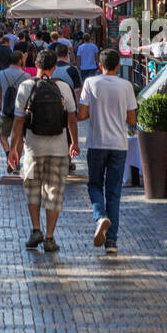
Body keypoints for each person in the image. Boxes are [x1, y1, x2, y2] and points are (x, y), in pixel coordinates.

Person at [8, 48, 79, 254]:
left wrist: (13, 148)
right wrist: (73, 143)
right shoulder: (63, 87)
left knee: (33, 190)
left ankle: (35, 229)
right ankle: (49, 237)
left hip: (33, 147)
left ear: (36, 65)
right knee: (54, 193)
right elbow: (72, 118)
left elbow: (19, 120)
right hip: (58, 148)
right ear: (54, 67)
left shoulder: (26, 86)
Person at [77, 49, 137, 256]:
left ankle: (100, 215)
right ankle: (111, 242)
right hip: (119, 144)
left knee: (94, 185)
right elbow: (131, 120)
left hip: (97, 143)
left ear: (99, 64)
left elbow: (82, 114)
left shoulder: (90, 83)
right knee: (114, 192)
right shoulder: (126, 86)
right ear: (118, 65)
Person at [0, 48, 27, 171]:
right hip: (20, 111)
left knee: (3, 136)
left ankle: (8, 153)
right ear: (20, 61)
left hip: (6, 111)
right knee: (19, 137)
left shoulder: (2, 74)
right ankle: (16, 161)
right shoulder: (26, 76)